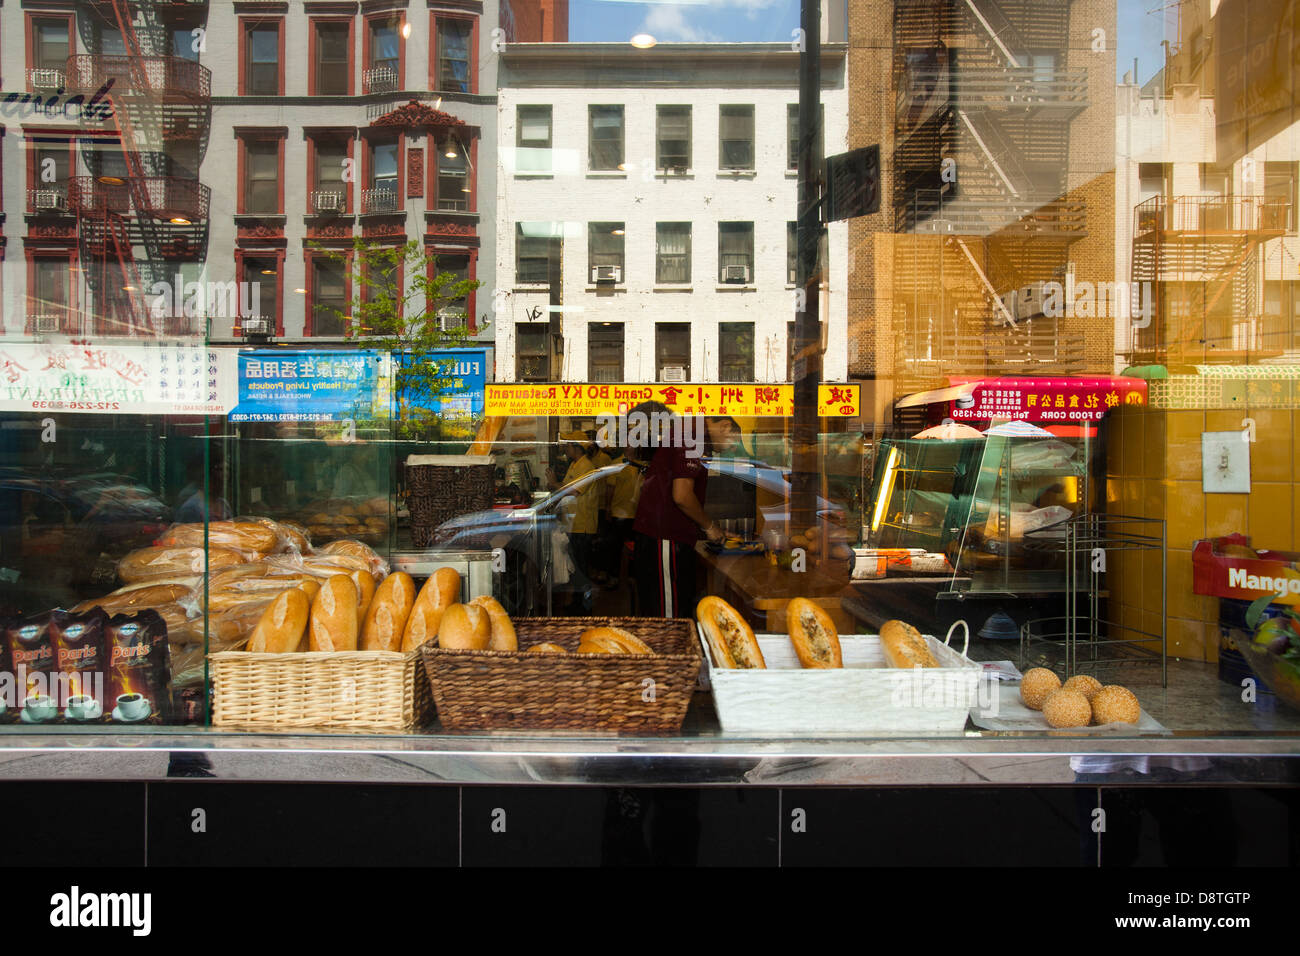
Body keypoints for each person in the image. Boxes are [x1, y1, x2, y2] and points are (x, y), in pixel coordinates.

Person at [630, 403, 724, 617]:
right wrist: (709, 526)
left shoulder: (690, 434)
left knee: (667, 608)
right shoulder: (693, 433)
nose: (733, 445)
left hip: (665, 535)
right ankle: (670, 649)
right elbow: (682, 495)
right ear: (725, 425)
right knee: (669, 615)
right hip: (665, 537)